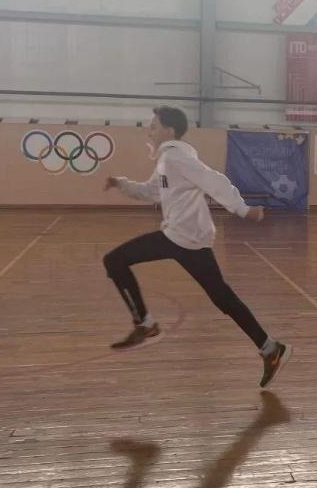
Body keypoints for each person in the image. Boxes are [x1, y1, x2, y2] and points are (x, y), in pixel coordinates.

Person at [103, 106, 291, 388]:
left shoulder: (176, 157)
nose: (149, 131)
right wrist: (122, 184)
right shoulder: (168, 159)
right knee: (222, 297)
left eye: (154, 126)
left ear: (169, 130)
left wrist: (243, 209)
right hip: (187, 238)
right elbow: (153, 191)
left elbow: (212, 180)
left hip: (182, 237)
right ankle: (270, 348)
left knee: (114, 260)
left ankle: (145, 324)